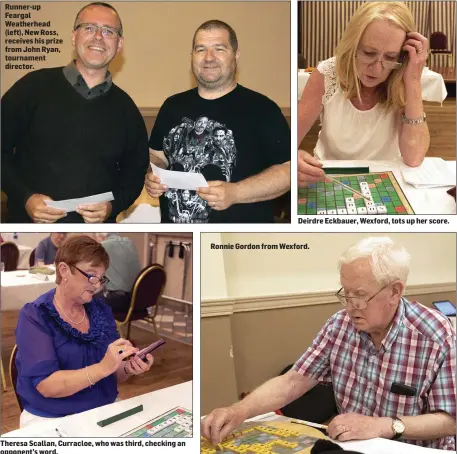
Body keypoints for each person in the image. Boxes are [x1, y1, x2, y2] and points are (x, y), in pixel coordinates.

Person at [202, 238, 456, 450]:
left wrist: (386, 425)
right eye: (346, 293)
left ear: (395, 291)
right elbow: (294, 380)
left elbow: (450, 420)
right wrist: (240, 410)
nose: (350, 306)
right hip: (353, 447)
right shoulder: (339, 325)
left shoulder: (435, 334)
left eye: (360, 295)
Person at [1, 2, 148, 223]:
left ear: (119, 45)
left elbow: (134, 175)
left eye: (108, 31)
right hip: (28, 225)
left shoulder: (127, 110)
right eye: (89, 28)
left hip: (96, 233)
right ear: (73, 36)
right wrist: (25, 198)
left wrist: (113, 206)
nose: (98, 37)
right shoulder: (31, 88)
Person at [145, 20, 290, 223]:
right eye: (200, 49)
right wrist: (152, 174)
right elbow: (157, 155)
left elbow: (288, 170)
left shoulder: (263, 109)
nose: (209, 58)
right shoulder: (172, 106)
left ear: (236, 56)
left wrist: (237, 192)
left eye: (219, 49)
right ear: (192, 57)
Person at [15, 235, 154, 427]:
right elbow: (48, 386)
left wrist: (127, 368)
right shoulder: (36, 315)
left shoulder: (101, 311)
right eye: (91, 275)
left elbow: (114, 374)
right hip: (52, 419)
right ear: (64, 270)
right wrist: (102, 367)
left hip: (103, 411)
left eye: (101, 277)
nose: (97, 285)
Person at [298, 2, 430, 187]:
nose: (376, 69)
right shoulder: (327, 73)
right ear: (352, 46)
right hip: (328, 176)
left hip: (385, 178)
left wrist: (413, 81)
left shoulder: (403, 77)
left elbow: (414, 158)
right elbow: (289, 141)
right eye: (369, 53)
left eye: (391, 57)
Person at [94, 233, 141, 313]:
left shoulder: (102, 246)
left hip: (119, 301)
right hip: (138, 299)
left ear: (101, 236)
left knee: (85, 299)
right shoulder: (129, 242)